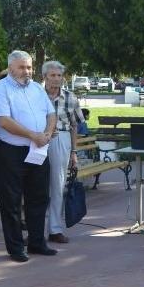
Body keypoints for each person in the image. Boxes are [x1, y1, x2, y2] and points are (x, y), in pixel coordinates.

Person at [0, 50, 59, 263]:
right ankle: (16, 247)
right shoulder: (0, 89)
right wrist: (32, 135)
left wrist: (47, 133)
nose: (26, 71)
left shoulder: (37, 88)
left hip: (38, 149)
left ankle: (37, 242)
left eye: (29, 67)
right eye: (21, 67)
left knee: (39, 197)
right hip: (11, 151)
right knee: (11, 201)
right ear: (10, 68)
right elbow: (3, 121)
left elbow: (51, 114)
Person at [43, 60, 84, 244]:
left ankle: (55, 229)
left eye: (59, 75)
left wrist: (74, 152)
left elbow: (75, 126)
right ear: (45, 77)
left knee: (57, 184)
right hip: (37, 139)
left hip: (61, 138)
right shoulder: (36, 95)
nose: (56, 79)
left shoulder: (70, 97)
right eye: (52, 75)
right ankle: (34, 229)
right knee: (35, 185)